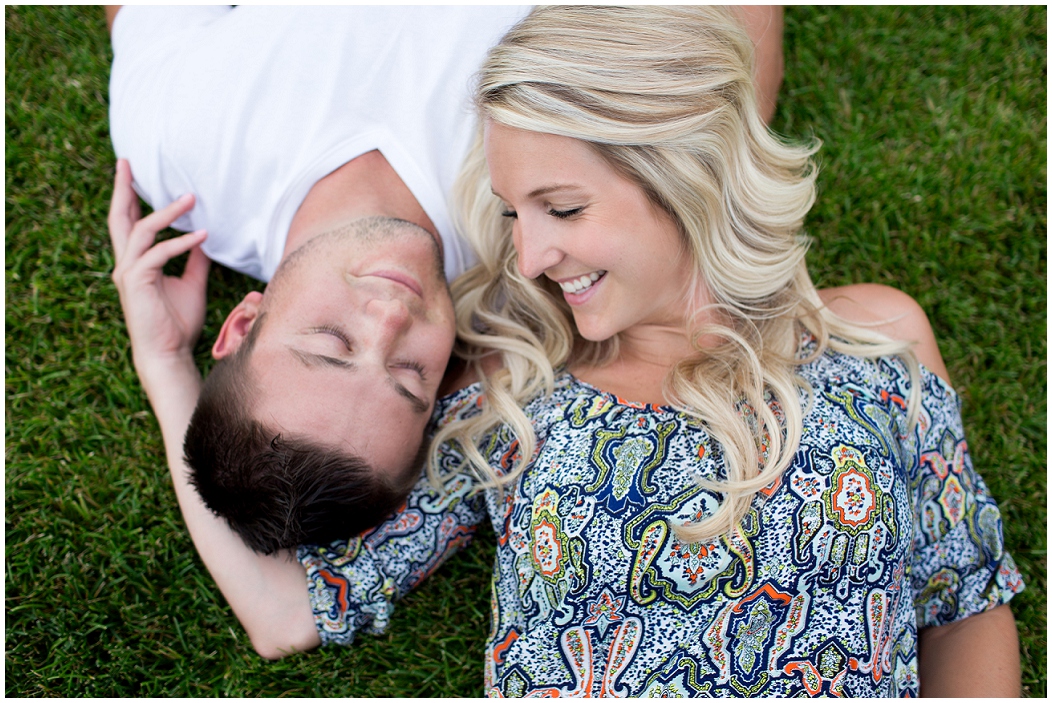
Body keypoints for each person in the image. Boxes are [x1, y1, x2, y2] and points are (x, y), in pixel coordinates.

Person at [291, 6, 1023, 696]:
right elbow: (303, 604)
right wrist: (169, 361)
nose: (532, 255)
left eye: (564, 207)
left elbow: (963, 600)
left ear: (682, 172)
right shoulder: (518, 384)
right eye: (515, 213)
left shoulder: (875, 341)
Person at [105, 4, 786, 656]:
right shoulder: (541, 239)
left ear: (244, 319)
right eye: (411, 375)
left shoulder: (177, 150)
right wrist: (164, 364)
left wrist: (162, 355)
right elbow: (283, 612)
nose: (392, 319)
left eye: (332, 343)